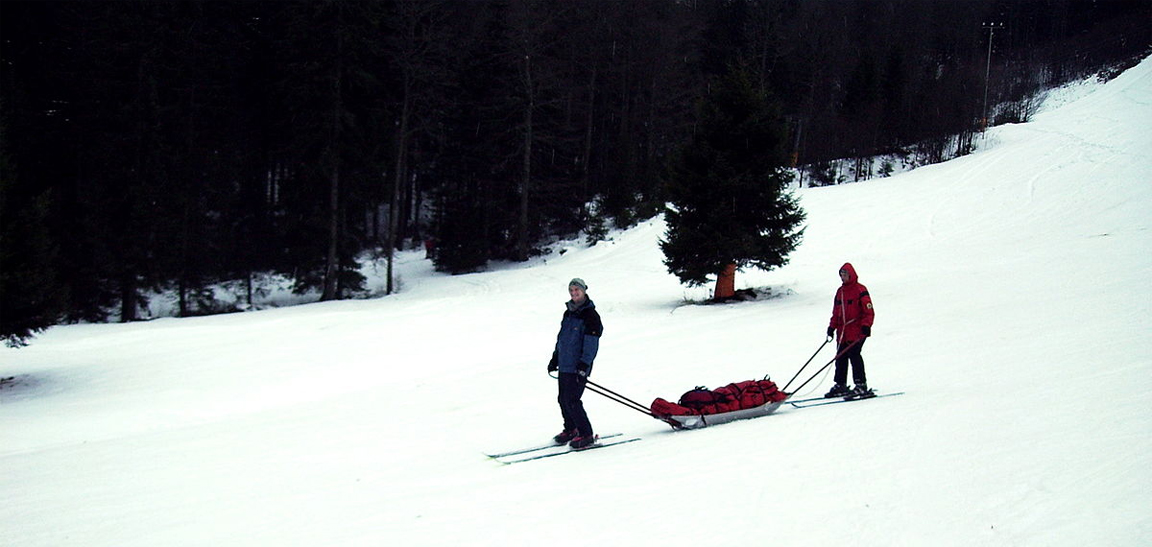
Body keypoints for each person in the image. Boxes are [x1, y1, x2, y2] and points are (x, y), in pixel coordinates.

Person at [547, 278, 603, 449]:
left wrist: (584, 365)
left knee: (572, 399)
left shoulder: (590, 315)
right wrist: (555, 357)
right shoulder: (569, 313)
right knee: (562, 399)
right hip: (565, 364)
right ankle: (571, 429)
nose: (573, 293)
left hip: (578, 366)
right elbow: (562, 338)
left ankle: (586, 434)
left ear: (584, 290)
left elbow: (591, 343)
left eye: (576, 290)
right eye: (571, 290)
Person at [825, 263, 875, 398]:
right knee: (840, 357)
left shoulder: (860, 289)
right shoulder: (840, 292)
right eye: (841, 275)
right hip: (843, 332)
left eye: (845, 275)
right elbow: (836, 312)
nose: (843, 278)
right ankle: (840, 384)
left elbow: (869, 311)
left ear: (851, 275)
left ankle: (861, 385)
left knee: (854, 355)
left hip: (857, 330)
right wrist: (831, 327)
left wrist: (866, 326)